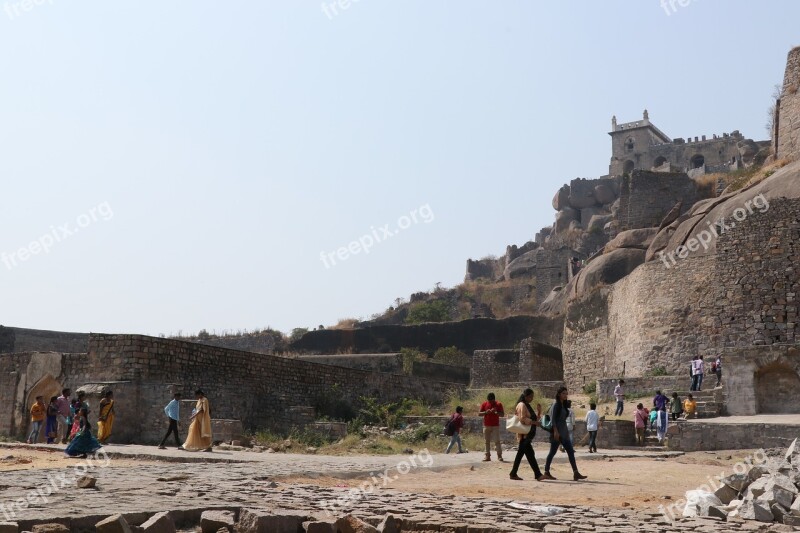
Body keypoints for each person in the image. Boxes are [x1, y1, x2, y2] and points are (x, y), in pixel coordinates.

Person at [543, 387, 587, 481]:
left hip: (564, 432)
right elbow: (553, 419)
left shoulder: (563, 405)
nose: (565, 395)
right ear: (559, 394)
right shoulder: (556, 405)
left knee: (570, 452)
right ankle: (546, 472)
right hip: (557, 433)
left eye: (566, 394)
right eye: (563, 393)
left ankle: (575, 472)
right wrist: (555, 431)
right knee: (552, 452)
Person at [509, 388, 544, 481]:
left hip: (527, 435)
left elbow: (532, 418)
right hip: (524, 435)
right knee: (530, 455)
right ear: (526, 396)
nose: (532, 399)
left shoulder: (527, 405)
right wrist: (534, 423)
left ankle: (513, 473)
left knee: (523, 454)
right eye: (530, 397)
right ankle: (538, 474)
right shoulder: (522, 405)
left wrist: (539, 412)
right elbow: (522, 419)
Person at [478, 392, 504, 462]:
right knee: (486, 441)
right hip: (486, 425)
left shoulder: (498, 404)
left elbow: (502, 414)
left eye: (491, 401)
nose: (490, 402)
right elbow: (479, 413)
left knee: (497, 441)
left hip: (495, 425)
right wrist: (486, 412)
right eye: (489, 401)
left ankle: (499, 456)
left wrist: (496, 412)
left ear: (494, 399)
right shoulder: (484, 404)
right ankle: (487, 456)